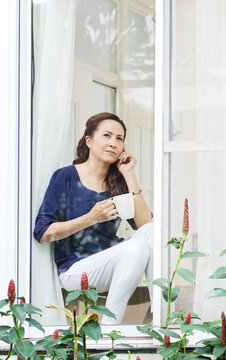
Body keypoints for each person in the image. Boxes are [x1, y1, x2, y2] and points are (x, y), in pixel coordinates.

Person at [33, 112, 153, 324]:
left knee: (151, 233)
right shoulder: (66, 176)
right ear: (89, 140)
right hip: (75, 270)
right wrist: (90, 218)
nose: (113, 143)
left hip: (113, 264)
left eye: (119, 138)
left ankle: (159, 314)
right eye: (107, 135)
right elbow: (42, 233)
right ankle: (109, 327)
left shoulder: (119, 183)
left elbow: (146, 225)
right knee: (136, 248)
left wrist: (129, 174)